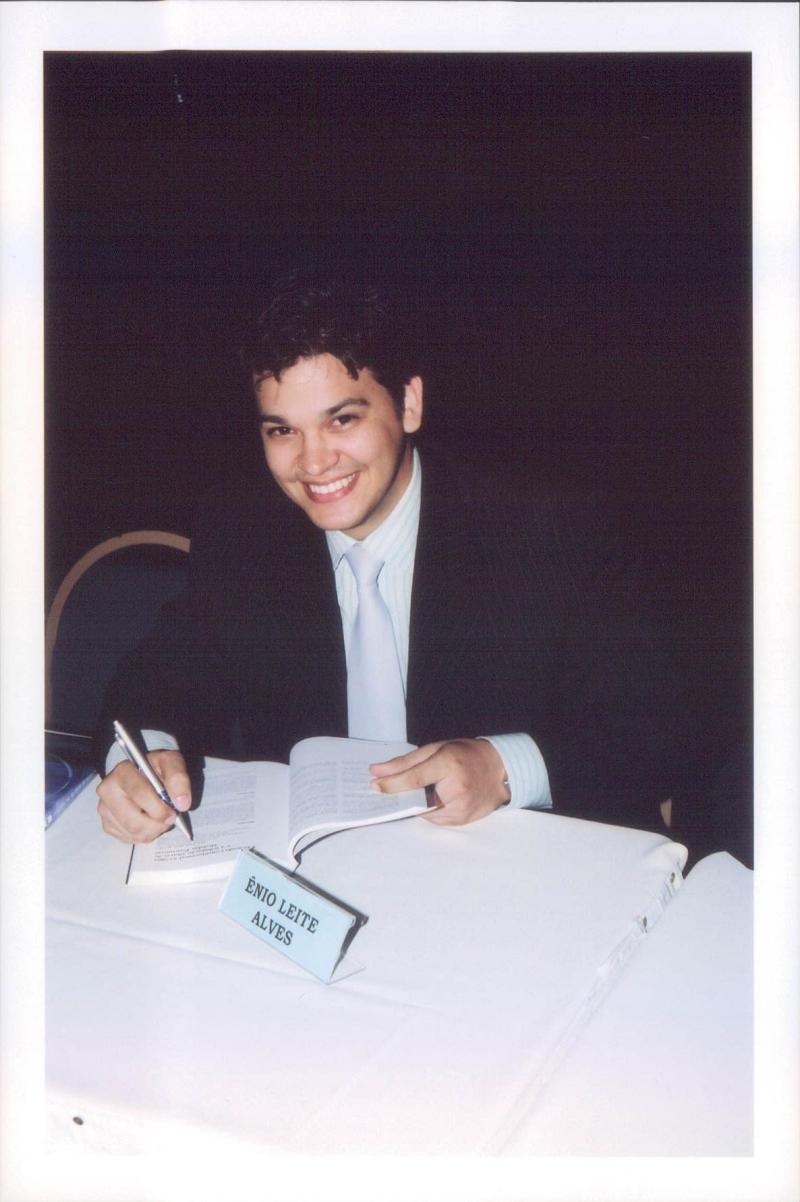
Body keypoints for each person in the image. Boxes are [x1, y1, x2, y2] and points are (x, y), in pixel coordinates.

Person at [95, 269, 684, 844]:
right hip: (319, 869)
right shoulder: (246, 531)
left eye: (342, 420)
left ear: (408, 404)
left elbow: (659, 725)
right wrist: (140, 761)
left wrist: (502, 768)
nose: (313, 463)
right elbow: (158, 677)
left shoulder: (546, 527)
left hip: (518, 863)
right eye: (283, 431)